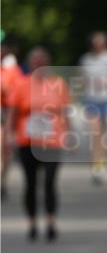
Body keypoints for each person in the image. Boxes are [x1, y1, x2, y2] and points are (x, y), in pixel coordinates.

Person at [5, 46, 71, 241]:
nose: (39, 64)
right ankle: (32, 223)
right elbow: (13, 113)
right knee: (31, 183)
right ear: (30, 64)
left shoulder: (58, 84)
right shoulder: (21, 84)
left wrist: (69, 134)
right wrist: (9, 135)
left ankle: (51, 222)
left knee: (50, 182)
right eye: (35, 61)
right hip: (28, 140)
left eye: (42, 61)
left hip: (52, 140)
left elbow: (65, 112)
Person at [79, 31, 107, 183]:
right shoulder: (86, 59)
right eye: (95, 41)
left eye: (101, 41)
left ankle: (105, 159)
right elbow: (82, 79)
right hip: (91, 99)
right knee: (95, 132)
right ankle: (97, 165)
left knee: (105, 134)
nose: (98, 44)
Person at [0, 34, 23, 198]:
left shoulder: (12, 69)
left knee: (4, 152)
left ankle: (2, 181)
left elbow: (17, 92)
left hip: (5, 112)